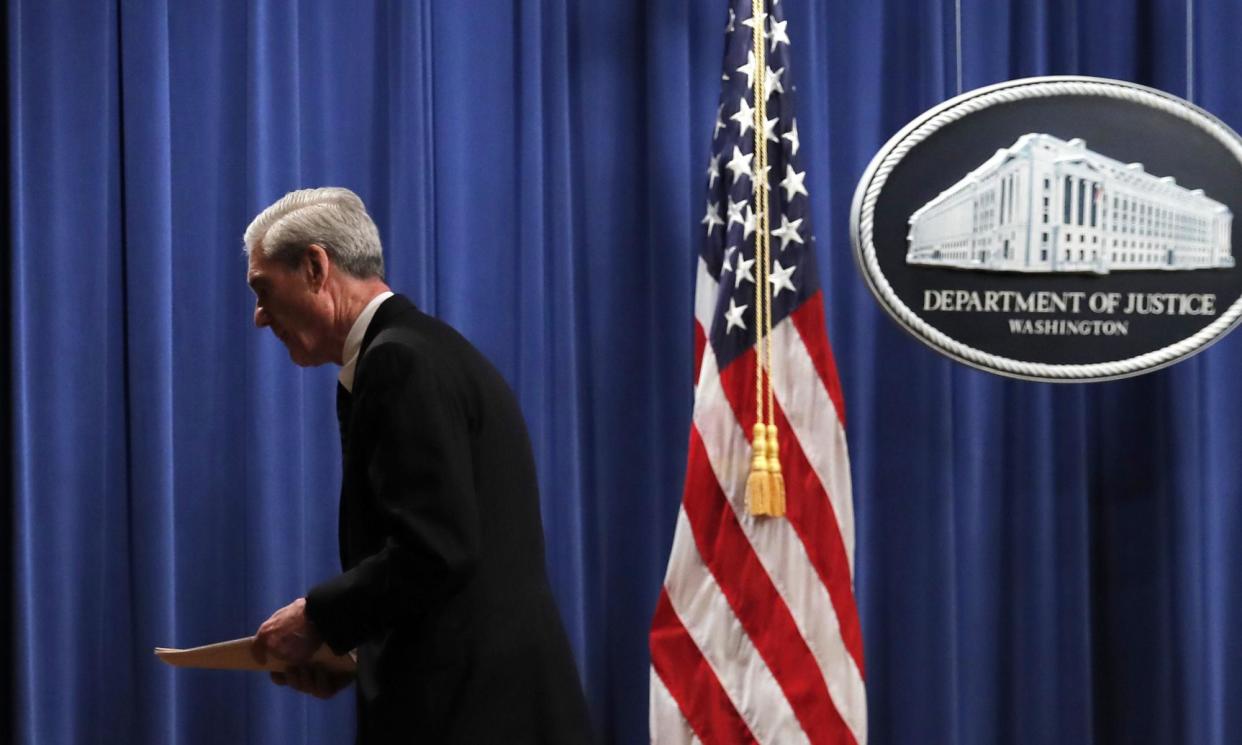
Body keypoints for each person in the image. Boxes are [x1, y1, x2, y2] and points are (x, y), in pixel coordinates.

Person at [244, 187, 593, 743]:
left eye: (264, 290)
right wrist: (350, 651)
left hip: (472, 718)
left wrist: (319, 618)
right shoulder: (431, 350)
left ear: (315, 266)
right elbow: (457, 571)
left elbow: (435, 549)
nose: (261, 317)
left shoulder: (398, 362)